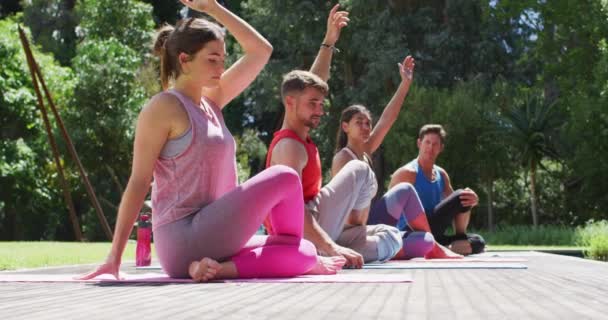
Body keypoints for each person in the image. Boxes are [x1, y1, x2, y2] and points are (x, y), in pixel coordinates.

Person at [80, 0, 345, 283]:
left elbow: (260, 51)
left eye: (223, 58)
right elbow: (138, 181)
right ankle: (209, 263)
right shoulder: (164, 107)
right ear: (184, 60)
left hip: (215, 236)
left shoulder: (212, 102)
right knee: (285, 176)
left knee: (304, 252)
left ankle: (212, 268)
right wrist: (115, 257)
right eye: (212, 59)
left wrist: (214, 8)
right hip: (182, 237)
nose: (221, 67)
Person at [265, 4, 402, 268]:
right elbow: (291, 209)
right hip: (300, 228)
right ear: (290, 103)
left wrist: (329, 42)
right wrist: (330, 247)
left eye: (321, 104)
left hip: (317, 218)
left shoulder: (297, 131)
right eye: (313, 104)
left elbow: (312, 82)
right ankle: (334, 243)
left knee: (392, 235)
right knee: (360, 171)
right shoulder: (289, 147)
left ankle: (344, 239)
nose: (319, 110)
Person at [330, 63, 461, 259]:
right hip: (348, 233)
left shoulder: (366, 151)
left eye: (368, 122)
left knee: (421, 235)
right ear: (345, 126)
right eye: (359, 122)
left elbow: (387, 120)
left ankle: (431, 246)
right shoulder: (343, 158)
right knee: (419, 242)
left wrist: (405, 83)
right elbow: (341, 208)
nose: (366, 126)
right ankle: (412, 247)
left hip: (368, 227)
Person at [390, 124, 486, 255]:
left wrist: (473, 199)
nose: (430, 147)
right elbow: (388, 208)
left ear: (441, 148)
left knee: (478, 241)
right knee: (462, 195)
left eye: (435, 144)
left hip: (432, 232)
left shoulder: (441, 174)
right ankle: (438, 246)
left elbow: (458, 207)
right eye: (427, 142)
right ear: (419, 143)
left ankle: (443, 246)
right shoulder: (407, 173)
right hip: (410, 233)